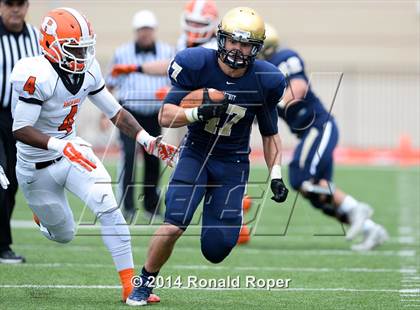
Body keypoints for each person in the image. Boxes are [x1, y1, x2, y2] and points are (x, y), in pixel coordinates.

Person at [10, 7, 177, 301]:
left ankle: (131, 288)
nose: (81, 56)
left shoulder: (88, 70)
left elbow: (115, 112)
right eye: (74, 48)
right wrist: (61, 145)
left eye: (85, 48)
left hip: (72, 152)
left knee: (108, 206)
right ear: (51, 45)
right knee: (65, 234)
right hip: (36, 167)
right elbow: (20, 129)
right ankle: (44, 218)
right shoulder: (36, 74)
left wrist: (146, 139)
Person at [127, 7, 289, 306]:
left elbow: (270, 135)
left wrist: (276, 175)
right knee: (175, 222)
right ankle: (144, 283)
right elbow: (165, 115)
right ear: (221, 39)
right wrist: (197, 112)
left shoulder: (266, 79)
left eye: (246, 44)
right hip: (197, 153)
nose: (238, 50)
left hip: (233, 163)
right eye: (233, 41)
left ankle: (215, 215)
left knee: (216, 250)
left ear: (257, 49)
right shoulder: (196, 64)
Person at [260, 23, 388, 251]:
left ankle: (356, 207)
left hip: (319, 127)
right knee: (318, 194)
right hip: (309, 133)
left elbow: (298, 88)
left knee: (299, 176)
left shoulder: (284, 58)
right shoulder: (259, 73)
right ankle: (371, 229)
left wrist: (270, 101)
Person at [106, 10, 175, 222]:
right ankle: (127, 206)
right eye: (141, 30)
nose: (145, 34)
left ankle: (151, 205)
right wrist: (104, 114)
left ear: (153, 31)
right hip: (129, 113)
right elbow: (109, 84)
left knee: (154, 158)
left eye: (148, 29)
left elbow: (176, 81)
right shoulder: (122, 53)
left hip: (155, 114)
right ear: (136, 31)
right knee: (128, 157)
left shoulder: (167, 51)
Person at [0, 0, 40, 264]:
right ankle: (3, 246)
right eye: (9, 3)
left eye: (20, 3)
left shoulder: (37, 37)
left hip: (23, 120)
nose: (15, 9)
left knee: (13, 181)